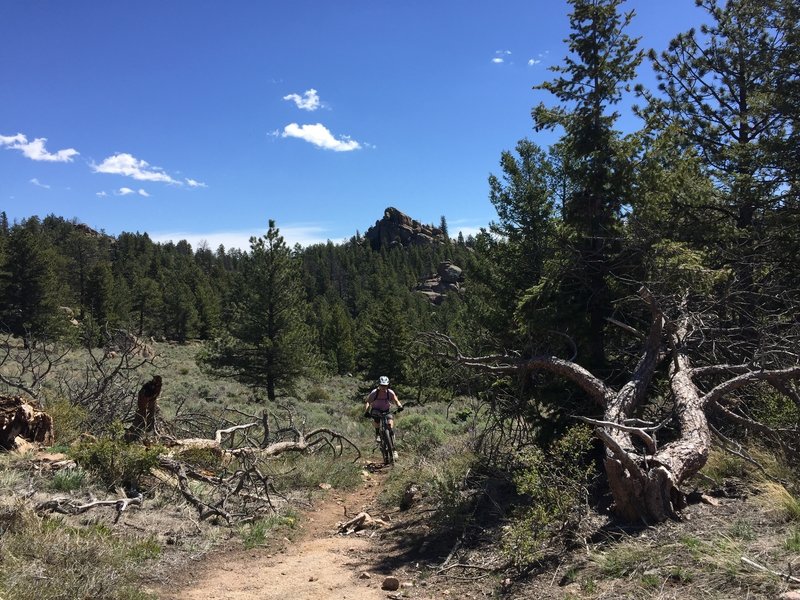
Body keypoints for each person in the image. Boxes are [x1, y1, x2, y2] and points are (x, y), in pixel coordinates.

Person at [364, 376, 403, 459]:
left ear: (388, 385)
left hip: (386, 410)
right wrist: (366, 411)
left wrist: (399, 406)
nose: (383, 387)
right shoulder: (374, 392)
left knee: (390, 426)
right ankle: (377, 433)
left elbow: (396, 400)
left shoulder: (390, 392)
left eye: (385, 385)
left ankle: (394, 450)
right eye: (382, 385)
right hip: (376, 410)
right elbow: (368, 402)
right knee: (376, 420)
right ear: (379, 385)